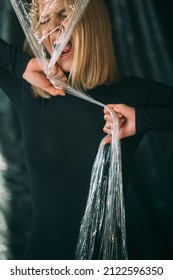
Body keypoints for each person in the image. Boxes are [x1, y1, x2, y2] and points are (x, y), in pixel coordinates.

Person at [0, 0, 173, 260]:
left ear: (89, 20)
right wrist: (19, 64)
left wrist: (142, 120)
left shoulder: (132, 95)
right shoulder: (29, 90)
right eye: (44, 20)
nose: (54, 28)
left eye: (64, 15)